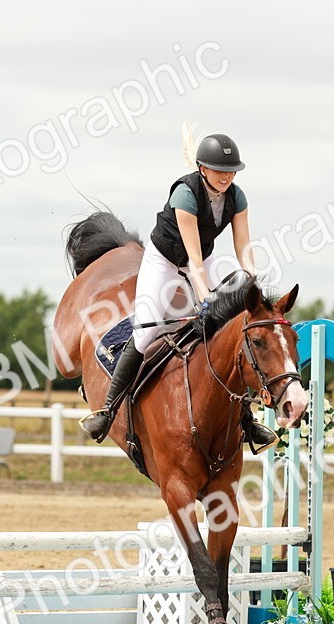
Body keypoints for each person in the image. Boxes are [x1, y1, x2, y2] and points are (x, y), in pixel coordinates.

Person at [80, 130, 278, 452]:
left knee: (227, 335)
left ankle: (246, 420)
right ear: (203, 169)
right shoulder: (185, 194)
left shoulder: (237, 197)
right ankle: (108, 410)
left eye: (231, 171)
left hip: (204, 258)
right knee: (145, 334)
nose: (227, 177)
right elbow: (193, 257)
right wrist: (205, 298)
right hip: (165, 262)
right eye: (220, 170)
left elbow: (243, 245)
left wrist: (250, 284)